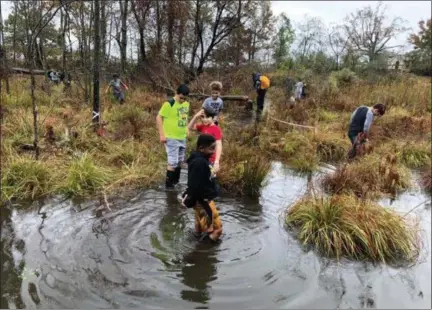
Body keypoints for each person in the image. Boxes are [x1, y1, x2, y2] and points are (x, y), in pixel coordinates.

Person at [181, 134, 223, 242]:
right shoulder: (199, 162)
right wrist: (197, 200)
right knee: (217, 230)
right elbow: (195, 185)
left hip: (202, 201)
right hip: (204, 201)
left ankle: (196, 238)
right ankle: (202, 252)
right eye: (211, 149)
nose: (213, 151)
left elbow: (199, 180)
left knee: (199, 225)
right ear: (201, 148)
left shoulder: (201, 159)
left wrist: (212, 172)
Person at [156, 84, 190, 188]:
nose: (182, 100)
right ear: (176, 93)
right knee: (173, 161)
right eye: (181, 98)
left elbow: (184, 118)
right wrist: (162, 134)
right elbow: (158, 118)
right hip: (171, 136)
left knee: (180, 161)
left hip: (182, 137)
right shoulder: (169, 104)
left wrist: (187, 129)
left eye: (184, 98)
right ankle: (169, 186)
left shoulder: (186, 104)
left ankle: (176, 182)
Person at [188, 106, 223, 173]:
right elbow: (190, 127)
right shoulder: (203, 126)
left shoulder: (216, 129)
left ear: (213, 118)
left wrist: (216, 161)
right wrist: (195, 117)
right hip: (201, 158)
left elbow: (219, 145)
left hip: (211, 159)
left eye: (207, 117)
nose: (204, 119)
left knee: (209, 178)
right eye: (203, 117)